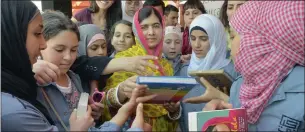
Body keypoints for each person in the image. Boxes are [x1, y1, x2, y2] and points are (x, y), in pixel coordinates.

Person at [185, 1, 305, 131]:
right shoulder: (241, 85)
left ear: (257, 42)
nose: (229, 46)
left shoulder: (300, 93)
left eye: (233, 36)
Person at [2, 1, 93, 131]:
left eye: (74, 50)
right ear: (14, 36)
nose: (68, 57)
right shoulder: (30, 86)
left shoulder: (74, 78)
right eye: (59, 49)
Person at [103, 6, 180, 131]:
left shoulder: (166, 66)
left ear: (163, 28)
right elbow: (104, 103)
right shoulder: (125, 59)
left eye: (156, 26)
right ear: (137, 30)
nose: (151, 32)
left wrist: (174, 110)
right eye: (144, 27)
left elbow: (170, 112)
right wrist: (121, 91)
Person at [179, 14, 239, 131]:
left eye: (204, 39)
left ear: (216, 38)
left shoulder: (232, 70)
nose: (196, 45)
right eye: (193, 38)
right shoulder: (185, 70)